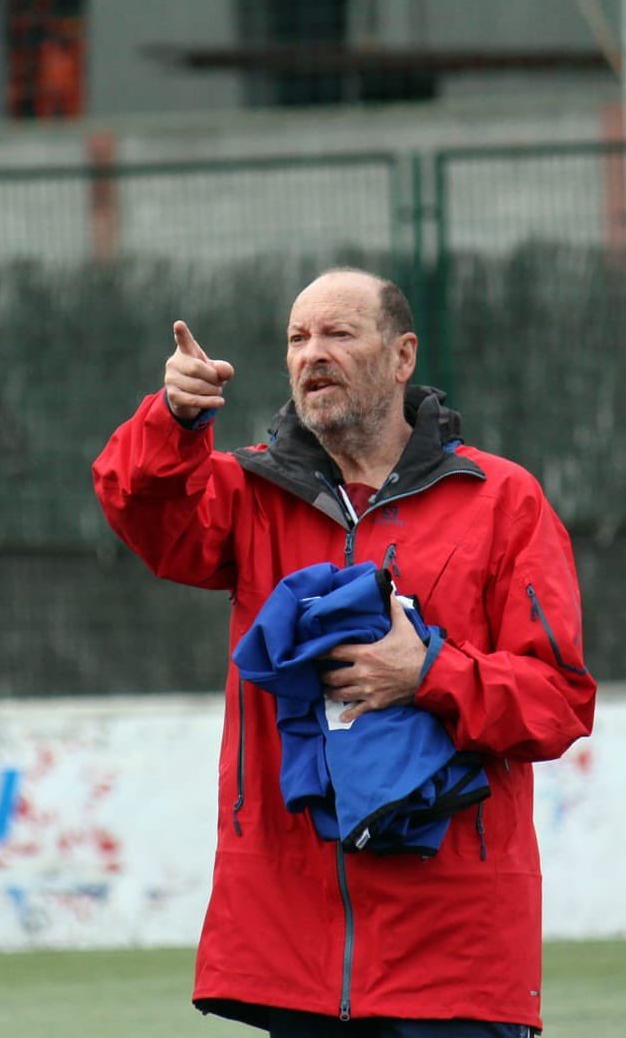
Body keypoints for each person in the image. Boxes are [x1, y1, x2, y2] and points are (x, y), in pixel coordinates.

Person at [92, 268, 596, 1037]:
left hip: (454, 951)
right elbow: (141, 511)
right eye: (297, 338)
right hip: (292, 948)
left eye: (337, 334)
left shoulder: (503, 500)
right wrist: (171, 419)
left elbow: (558, 701)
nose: (310, 355)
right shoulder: (247, 493)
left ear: (402, 357)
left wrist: (428, 673)